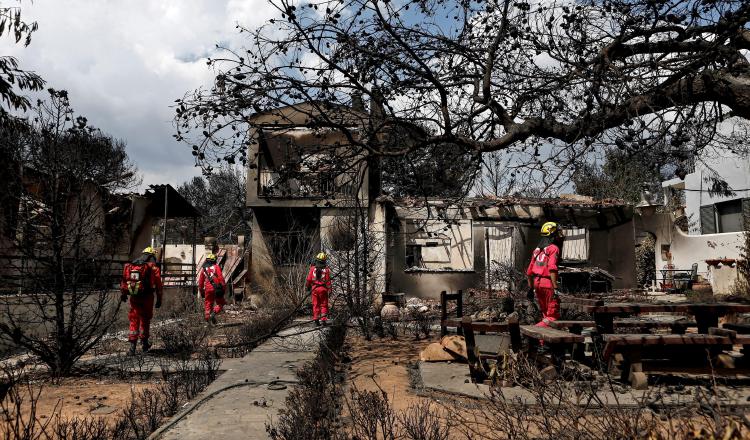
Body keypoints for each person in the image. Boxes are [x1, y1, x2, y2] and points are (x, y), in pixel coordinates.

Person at [120, 246, 163, 355]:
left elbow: (124, 281)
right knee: (145, 319)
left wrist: (124, 294)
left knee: (134, 319)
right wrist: (159, 299)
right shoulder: (154, 268)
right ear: (151, 256)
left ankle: (132, 347)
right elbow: (158, 285)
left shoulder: (130, 266)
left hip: (134, 296)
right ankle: (144, 344)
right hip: (148, 297)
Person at [526, 222, 565, 328]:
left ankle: (543, 343)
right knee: (552, 316)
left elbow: (529, 271)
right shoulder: (553, 248)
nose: (559, 235)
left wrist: (530, 288)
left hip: (536, 284)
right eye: (557, 232)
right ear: (552, 234)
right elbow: (552, 268)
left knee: (545, 314)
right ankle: (533, 332)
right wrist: (555, 288)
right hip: (547, 283)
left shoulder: (537, 250)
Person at [198, 253, 227, 325]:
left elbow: (200, 282)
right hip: (217, 288)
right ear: (214, 260)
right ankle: (213, 313)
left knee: (208, 304)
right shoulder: (216, 267)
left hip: (207, 289)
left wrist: (201, 291)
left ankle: (208, 322)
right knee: (221, 303)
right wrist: (223, 287)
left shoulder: (203, 269)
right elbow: (221, 278)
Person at [305, 252, 331, 326]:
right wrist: (330, 290)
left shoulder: (312, 268)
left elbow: (309, 279)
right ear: (324, 261)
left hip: (314, 289)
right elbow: (328, 281)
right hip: (323, 289)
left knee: (315, 304)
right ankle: (323, 320)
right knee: (324, 305)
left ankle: (316, 318)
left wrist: (307, 288)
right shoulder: (326, 270)